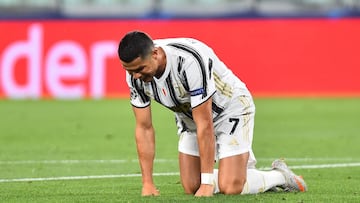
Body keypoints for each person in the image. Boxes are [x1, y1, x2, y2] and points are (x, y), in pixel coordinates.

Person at [117, 30, 307, 197]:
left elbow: (205, 123)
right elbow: (144, 127)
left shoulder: (188, 60)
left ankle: (279, 176)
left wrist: (208, 182)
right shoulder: (135, 75)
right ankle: (242, 170)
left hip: (230, 109)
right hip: (189, 119)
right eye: (130, 71)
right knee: (192, 186)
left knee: (230, 187)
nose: (136, 76)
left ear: (156, 53)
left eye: (140, 69)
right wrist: (147, 183)